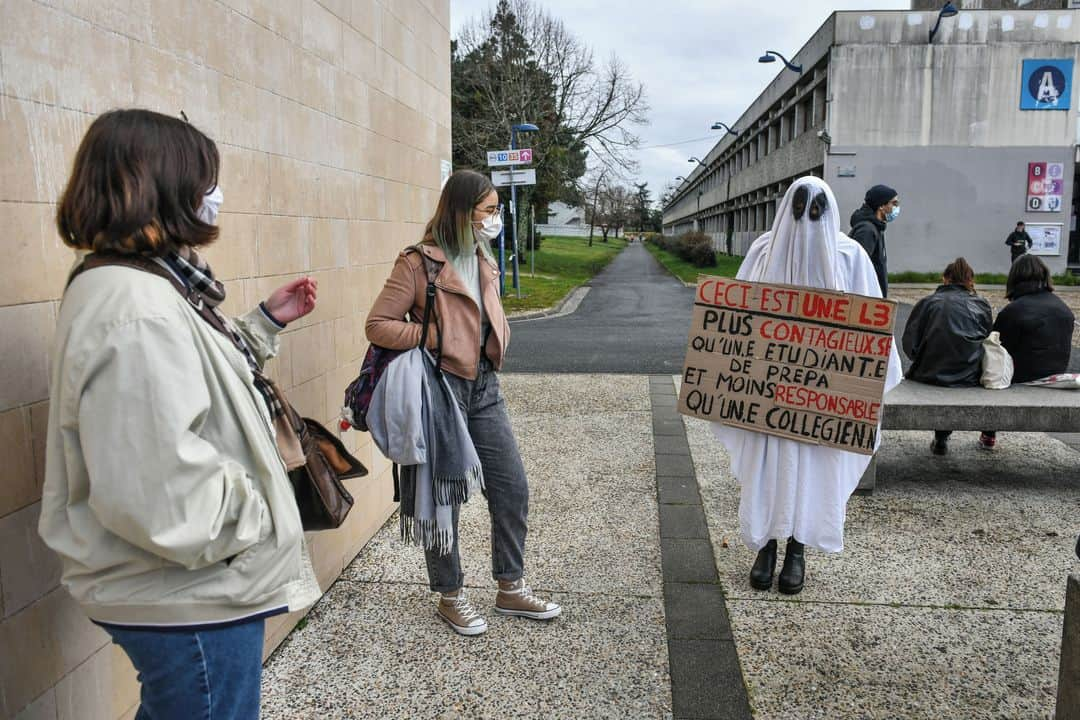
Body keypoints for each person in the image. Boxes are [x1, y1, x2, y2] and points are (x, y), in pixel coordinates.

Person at [38, 109, 323, 719]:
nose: (213, 197)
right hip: (188, 590)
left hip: (184, 584)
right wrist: (252, 512)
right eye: (204, 182)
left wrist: (262, 325)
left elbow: (189, 382)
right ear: (164, 188)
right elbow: (157, 485)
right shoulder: (138, 304)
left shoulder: (145, 285)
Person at [366, 169, 561, 636]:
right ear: (460, 212)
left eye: (496, 209)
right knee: (443, 495)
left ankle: (510, 586)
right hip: (441, 389)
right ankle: (450, 595)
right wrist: (429, 335)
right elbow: (377, 325)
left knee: (511, 486)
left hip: (485, 386)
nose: (496, 218)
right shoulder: (417, 264)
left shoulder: (483, 257)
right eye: (488, 211)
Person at [712, 176, 902, 595]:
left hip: (825, 395)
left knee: (812, 473)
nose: (806, 220)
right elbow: (737, 313)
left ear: (829, 212)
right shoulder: (764, 249)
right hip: (766, 390)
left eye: (815, 211)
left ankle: (797, 548)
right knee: (768, 471)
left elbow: (871, 325)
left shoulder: (850, 255)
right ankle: (766, 544)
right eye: (799, 210)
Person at [900, 258, 994, 454]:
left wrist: (922, 357)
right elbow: (987, 338)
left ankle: (941, 437)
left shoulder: (928, 302)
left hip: (929, 373)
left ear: (945, 279)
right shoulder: (981, 304)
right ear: (970, 280)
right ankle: (982, 435)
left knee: (940, 368)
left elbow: (909, 343)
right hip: (969, 375)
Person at [993, 254, 1075, 383]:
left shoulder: (1014, 311)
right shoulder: (1062, 307)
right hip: (1057, 372)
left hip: (1023, 376)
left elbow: (996, 351)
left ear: (1013, 278)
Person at [849, 184, 899, 297]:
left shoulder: (876, 227)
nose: (896, 208)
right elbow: (858, 267)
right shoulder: (867, 231)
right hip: (867, 298)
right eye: (894, 203)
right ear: (881, 206)